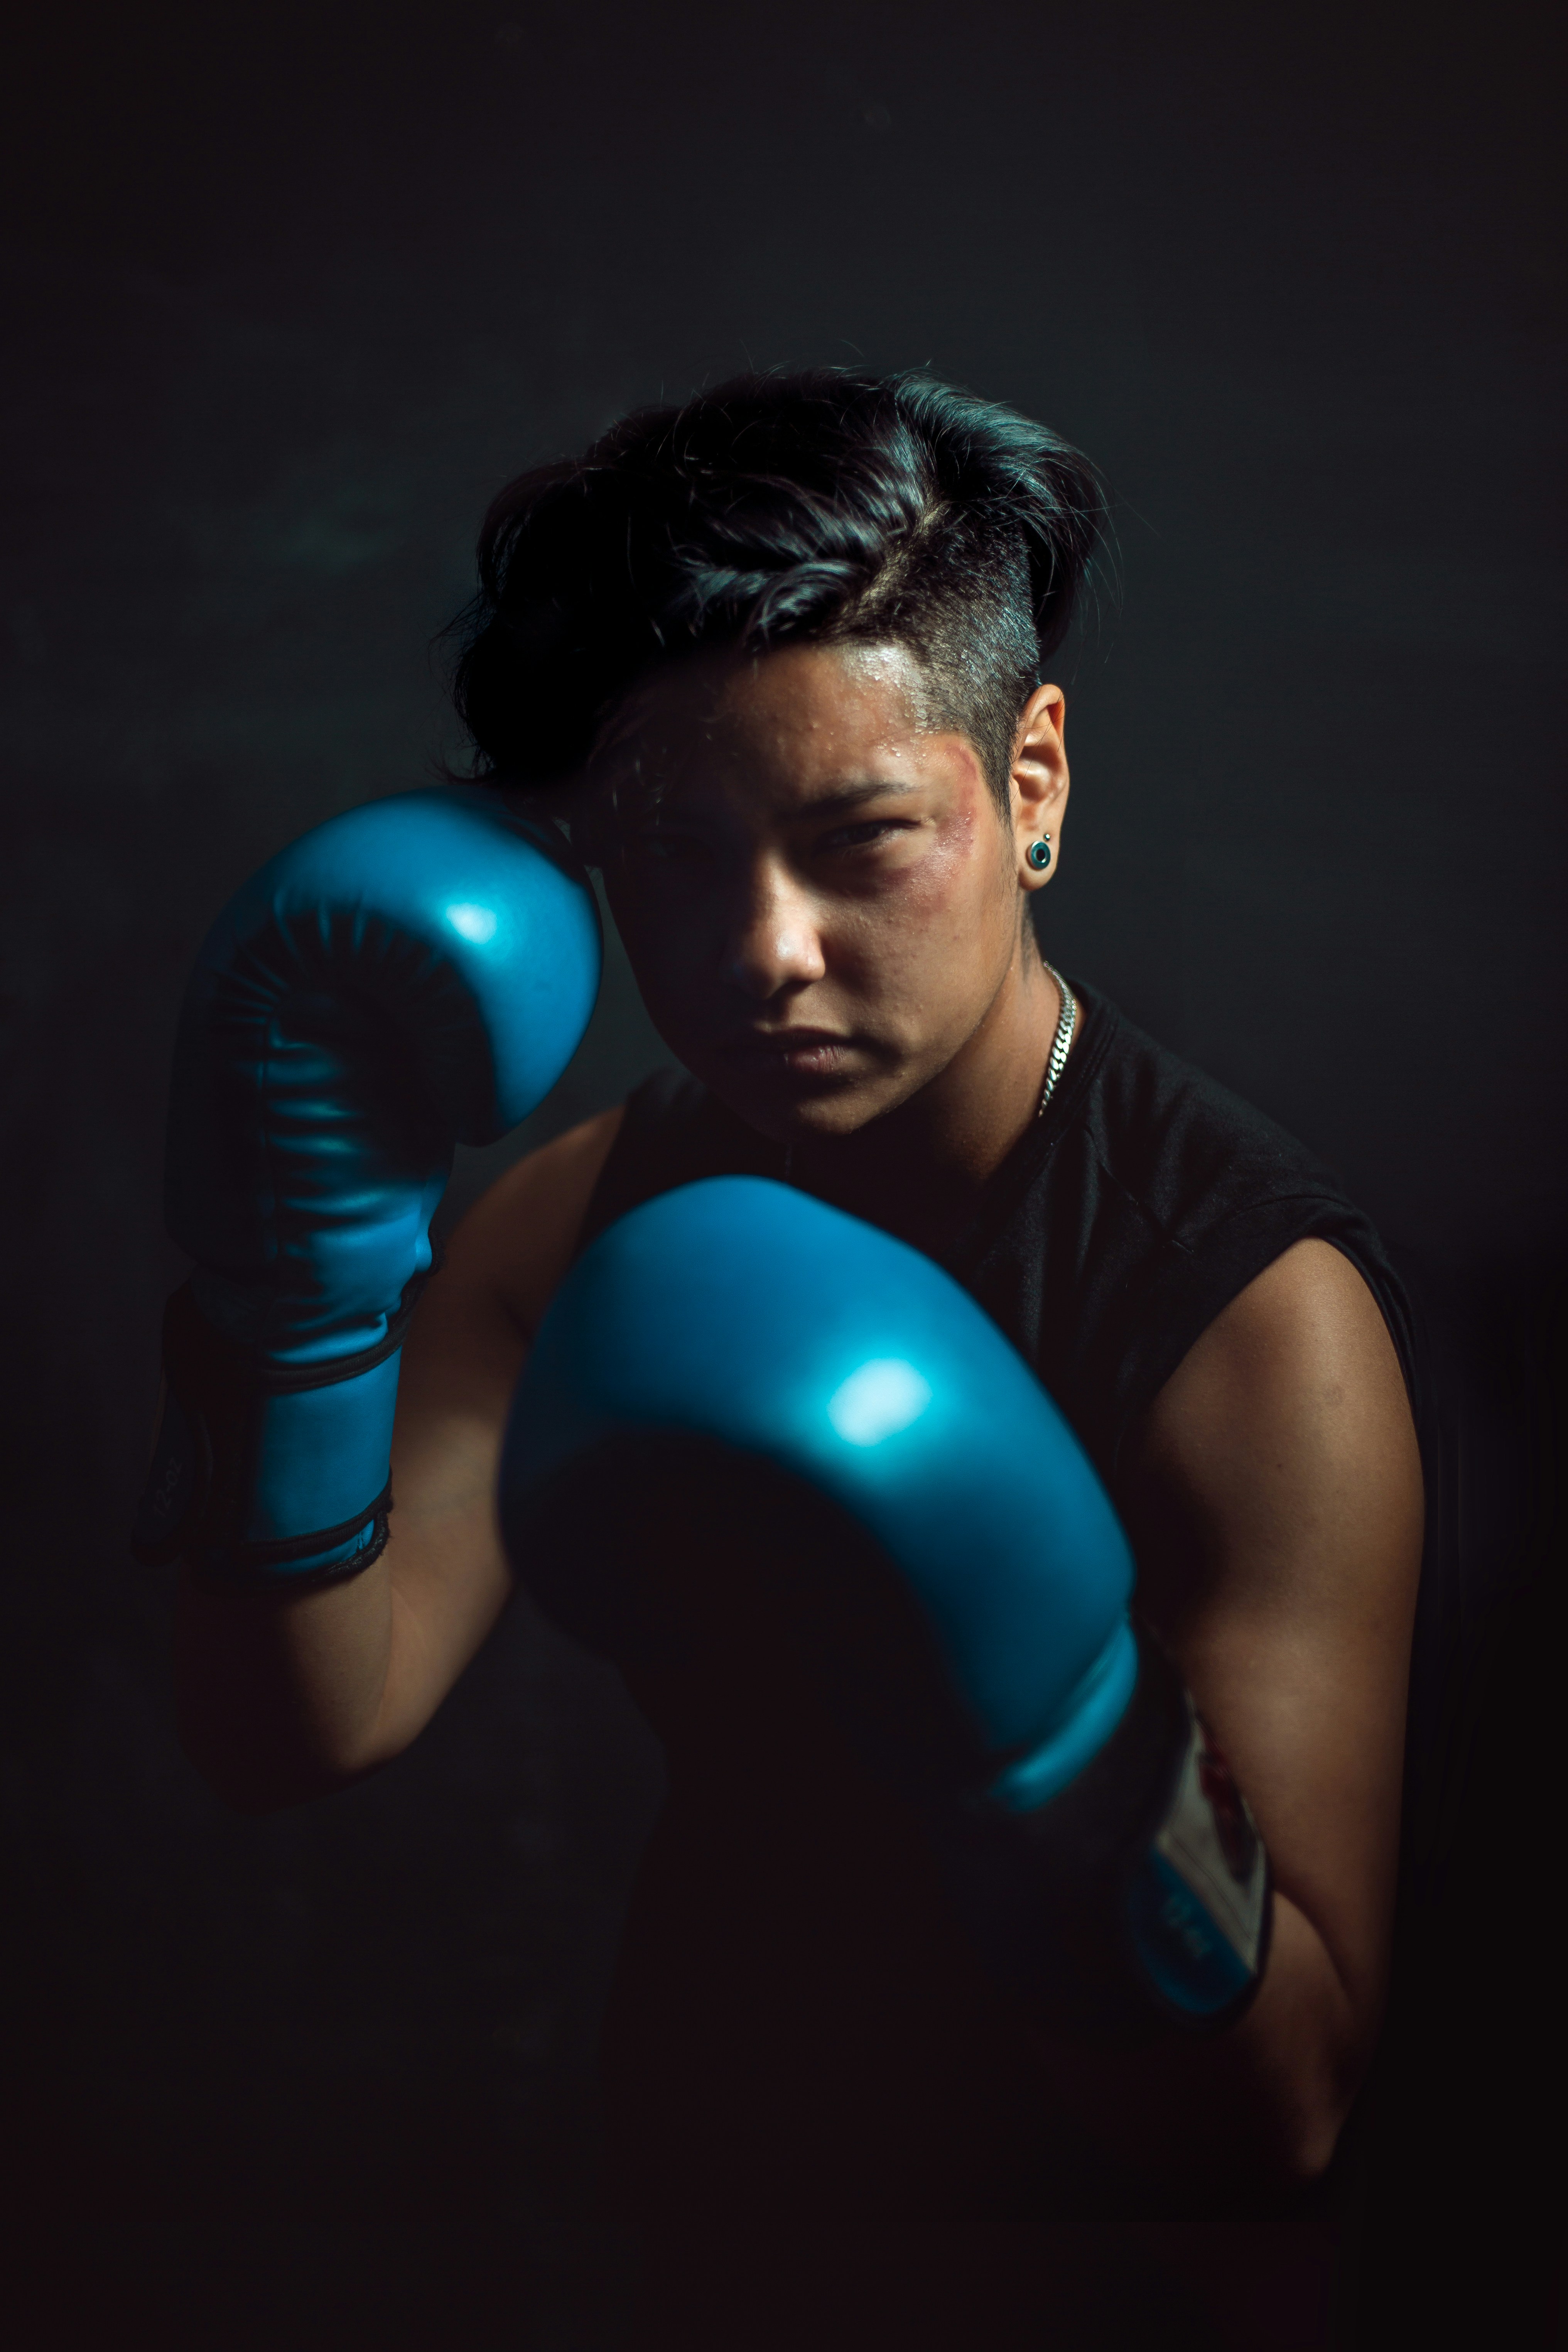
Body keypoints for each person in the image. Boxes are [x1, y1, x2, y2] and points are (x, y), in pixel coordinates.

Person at [157, 372, 1425, 2348]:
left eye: (862, 839)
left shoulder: (1255, 1322)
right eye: (677, 854)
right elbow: (294, 1724)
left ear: (1031, 788)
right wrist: (289, 1283)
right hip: (728, 2205)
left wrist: (1055, 1719)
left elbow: (1280, 2111)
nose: (762, 948)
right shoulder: (592, 1213)